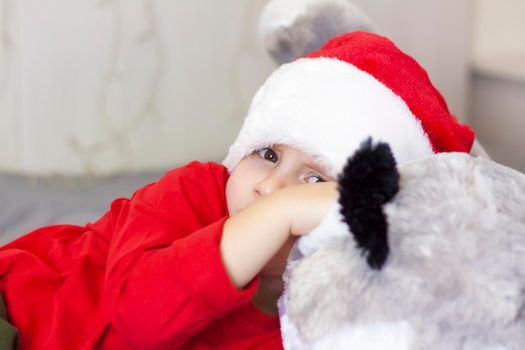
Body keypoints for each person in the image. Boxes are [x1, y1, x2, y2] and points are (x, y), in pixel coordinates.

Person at [0, 31, 474, 349]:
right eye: (267, 155)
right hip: (19, 312)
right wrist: (283, 213)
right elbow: (138, 319)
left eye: (313, 179)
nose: (271, 187)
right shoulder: (194, 191)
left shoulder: (315, 312)